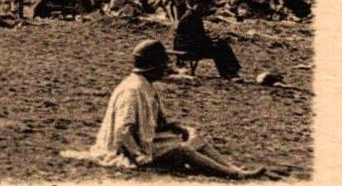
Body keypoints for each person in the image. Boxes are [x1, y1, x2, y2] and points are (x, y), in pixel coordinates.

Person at [76, 39, 264, 178]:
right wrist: (138, 156)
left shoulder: (146, 85)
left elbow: (155, 122)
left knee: (195, 137)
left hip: (144, 139)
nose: (166, 70)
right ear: (152, 67)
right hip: (127, 149)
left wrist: (175, 127)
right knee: (183, 152)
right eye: (163, 66)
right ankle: (232, 174)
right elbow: (123, 130)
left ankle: (234, 168)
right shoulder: (133, 90)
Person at [173, 0, 242, 79]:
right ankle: (228, 73)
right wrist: (212, 41)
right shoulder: (191, 17)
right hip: (186, 47)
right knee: (220, 48)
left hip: (188, 45)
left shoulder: (192, 15)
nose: (205, 9)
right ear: (199, 5)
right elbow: (197, 38)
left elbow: (198, 37)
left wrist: (213, 40)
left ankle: (230, 72)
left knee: (221, 45)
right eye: (205, 6)